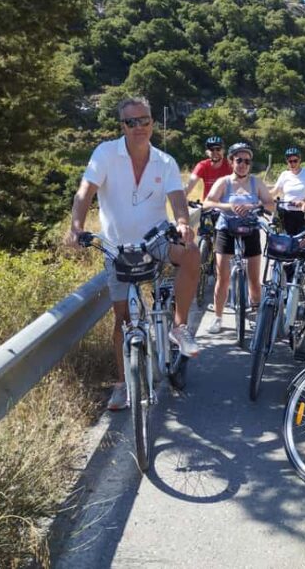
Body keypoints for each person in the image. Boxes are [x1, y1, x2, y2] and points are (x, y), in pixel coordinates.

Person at [67, 97, 200, 411]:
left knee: (191, 253)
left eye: (144, 120)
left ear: (152, 122)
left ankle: (179, 328)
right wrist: (75, 227)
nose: (139, 127)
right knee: (122, 319)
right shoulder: (106, 153)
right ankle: (122, 384)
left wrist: (182, 223)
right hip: (117, 248)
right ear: (122, 126)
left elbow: (178, 199)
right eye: (131, 122)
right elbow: (85, 192)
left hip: (154, 240)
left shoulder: (164, 161)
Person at [202, 142, 275, 334]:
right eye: (239, 160)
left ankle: (258, 313)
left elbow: (270, 204)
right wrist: (228, 207)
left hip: (250, 229)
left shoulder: (256, 183)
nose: (243, 164)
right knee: (222, 278)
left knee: (254, 279)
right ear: (231, 161)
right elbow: (207, 202)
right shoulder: (224, 182)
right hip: (226, 229)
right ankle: (218, 317)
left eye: (247, 161)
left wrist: (254, 207)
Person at [270, 147, 305, 235]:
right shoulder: (284, 175)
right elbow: (275, 190)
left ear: (300, 160)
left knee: (302, 242)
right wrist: (262, 196)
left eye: (295, 161)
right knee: (288, 241)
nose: (292, 163)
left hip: (304, 213)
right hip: (287, 213)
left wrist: (304, 202)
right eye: (289, 161)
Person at [184, 136, 232, 200]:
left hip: (226, 205)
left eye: (218, 149)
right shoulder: (202, 165)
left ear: (223, 151)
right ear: (207, 152)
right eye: (211, 149)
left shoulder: (230, 166)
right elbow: (190, 184)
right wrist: (182, 197)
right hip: (208, 205)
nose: (215, 152)